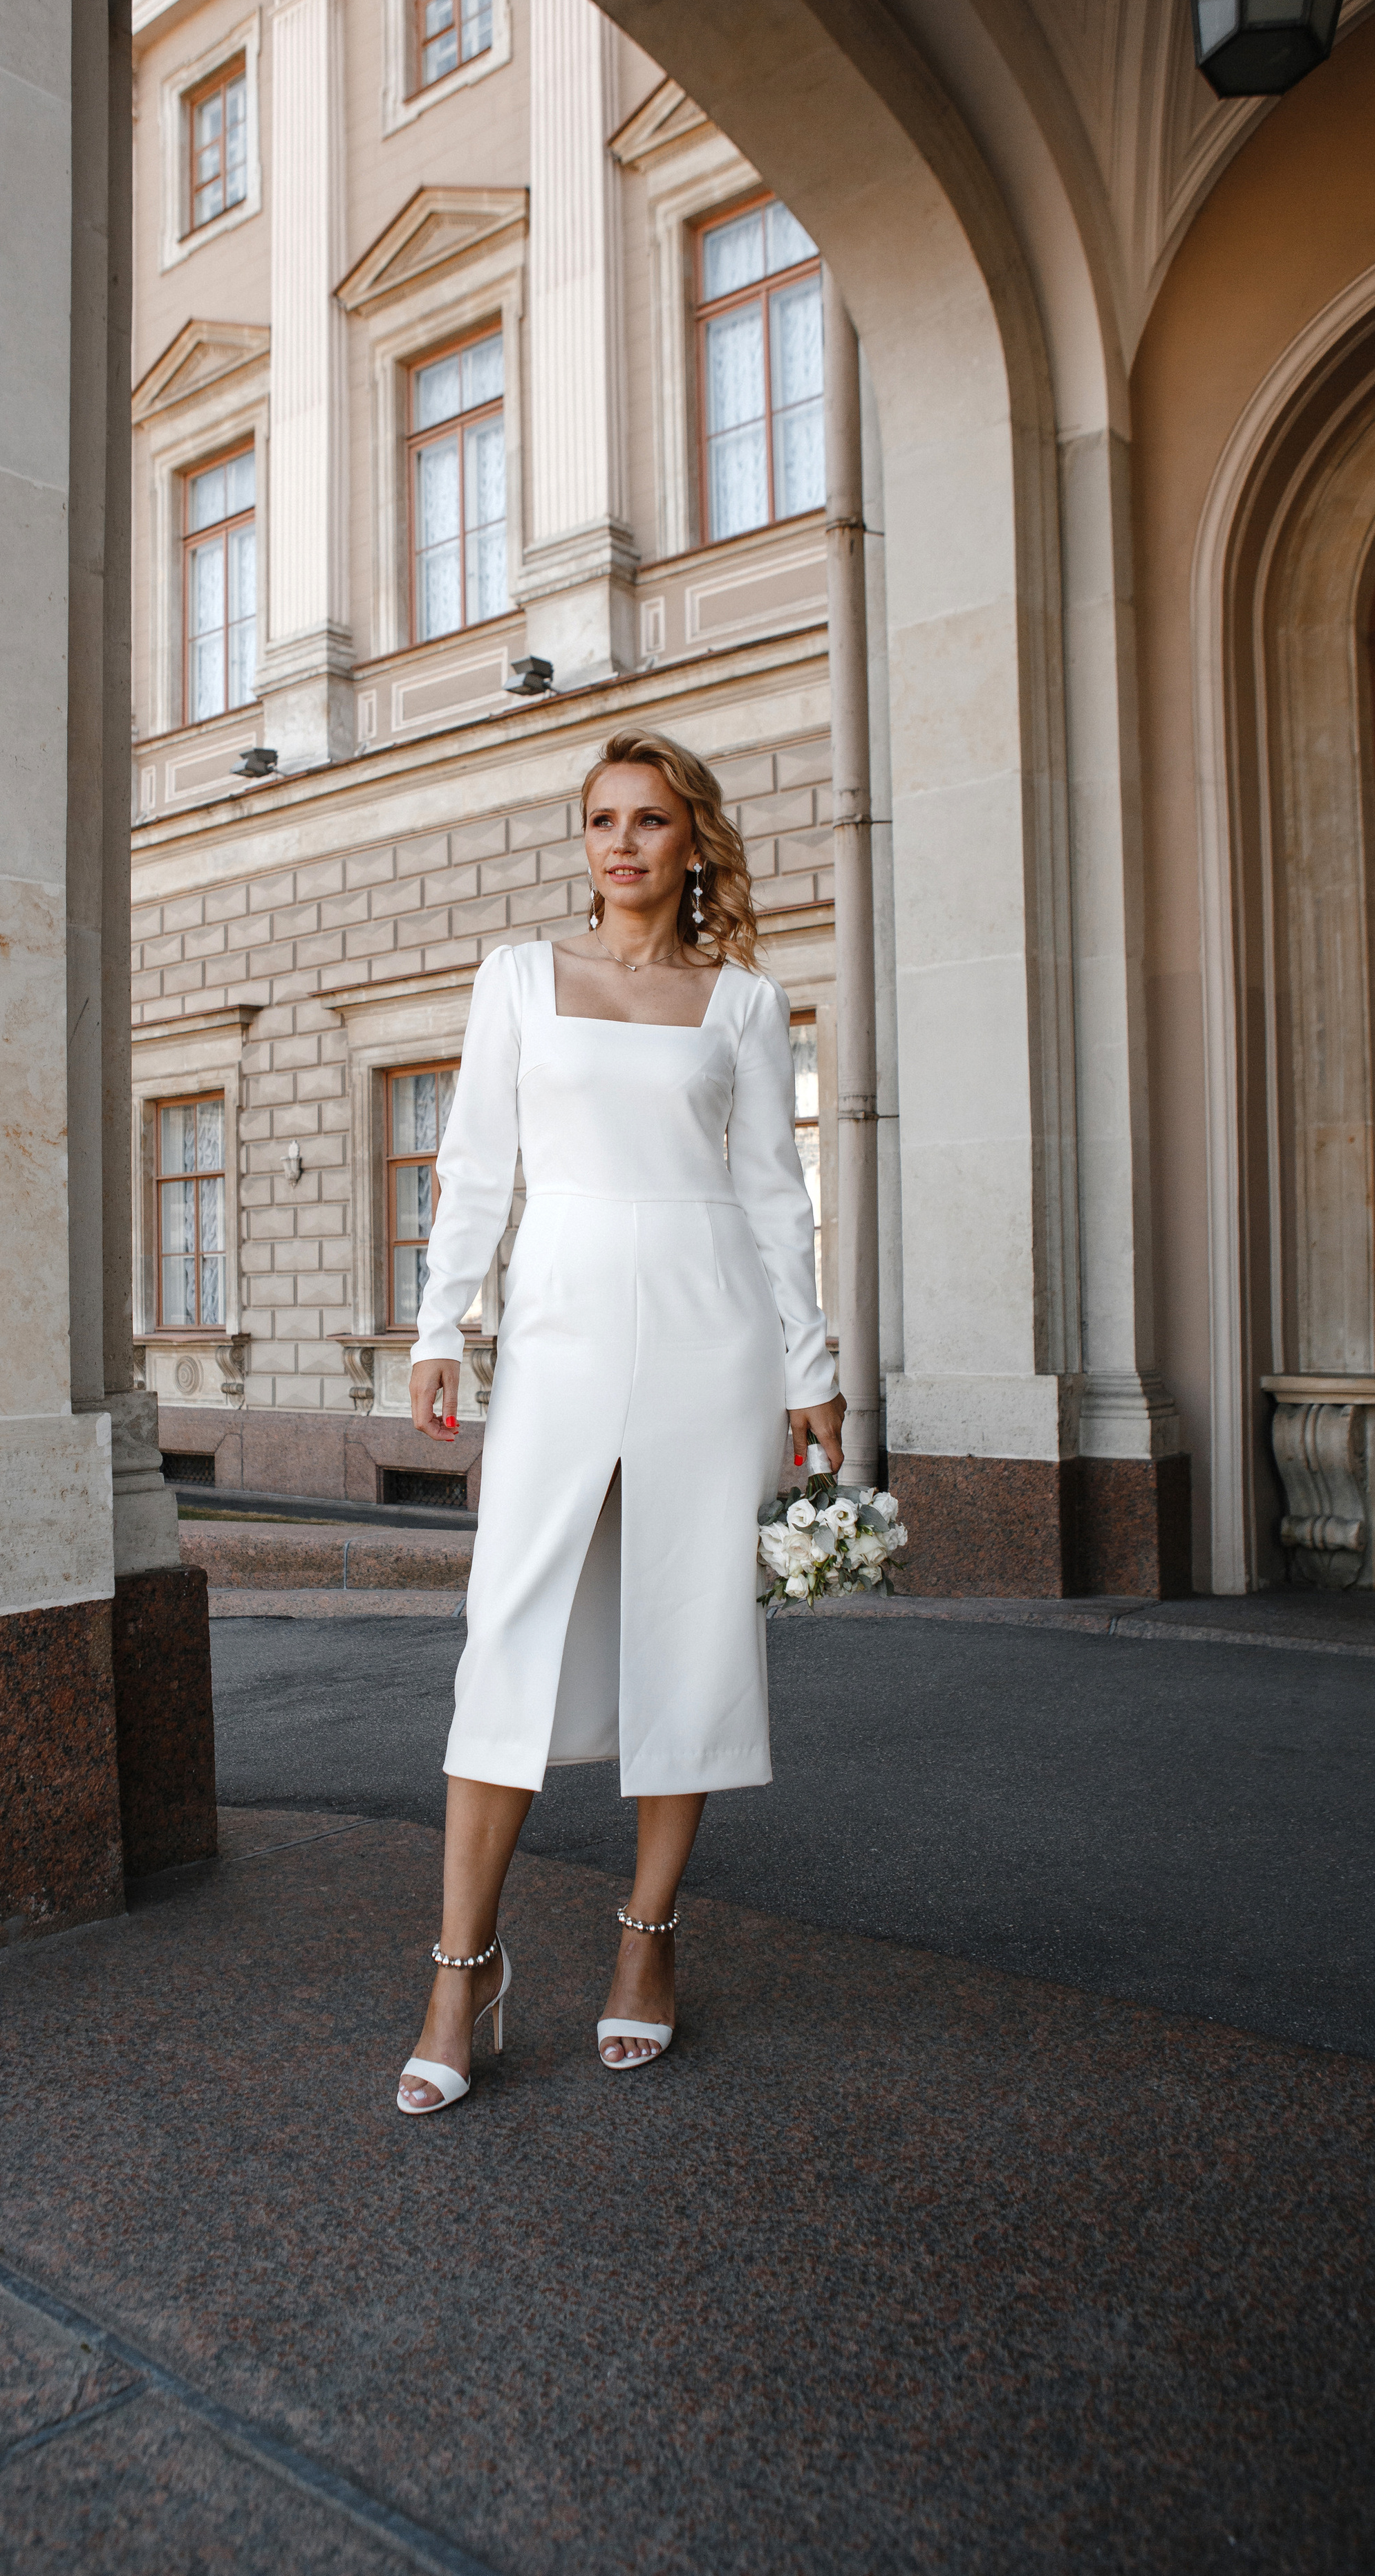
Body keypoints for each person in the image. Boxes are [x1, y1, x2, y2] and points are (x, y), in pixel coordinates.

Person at [395, 729, 846, 2114]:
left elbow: (774, 1193)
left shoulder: (744, 1004)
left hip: (708, 1331)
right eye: (601, 820)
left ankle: (645, 1947)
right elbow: (476, 1168)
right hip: (559, 1326)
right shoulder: (520, 980)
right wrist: (438, 1322)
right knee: (509, 1636)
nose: (622, 843)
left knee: (687, 1633)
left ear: (688, 840)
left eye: (649, 821)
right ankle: (459, 1969)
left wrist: (805, 1363)